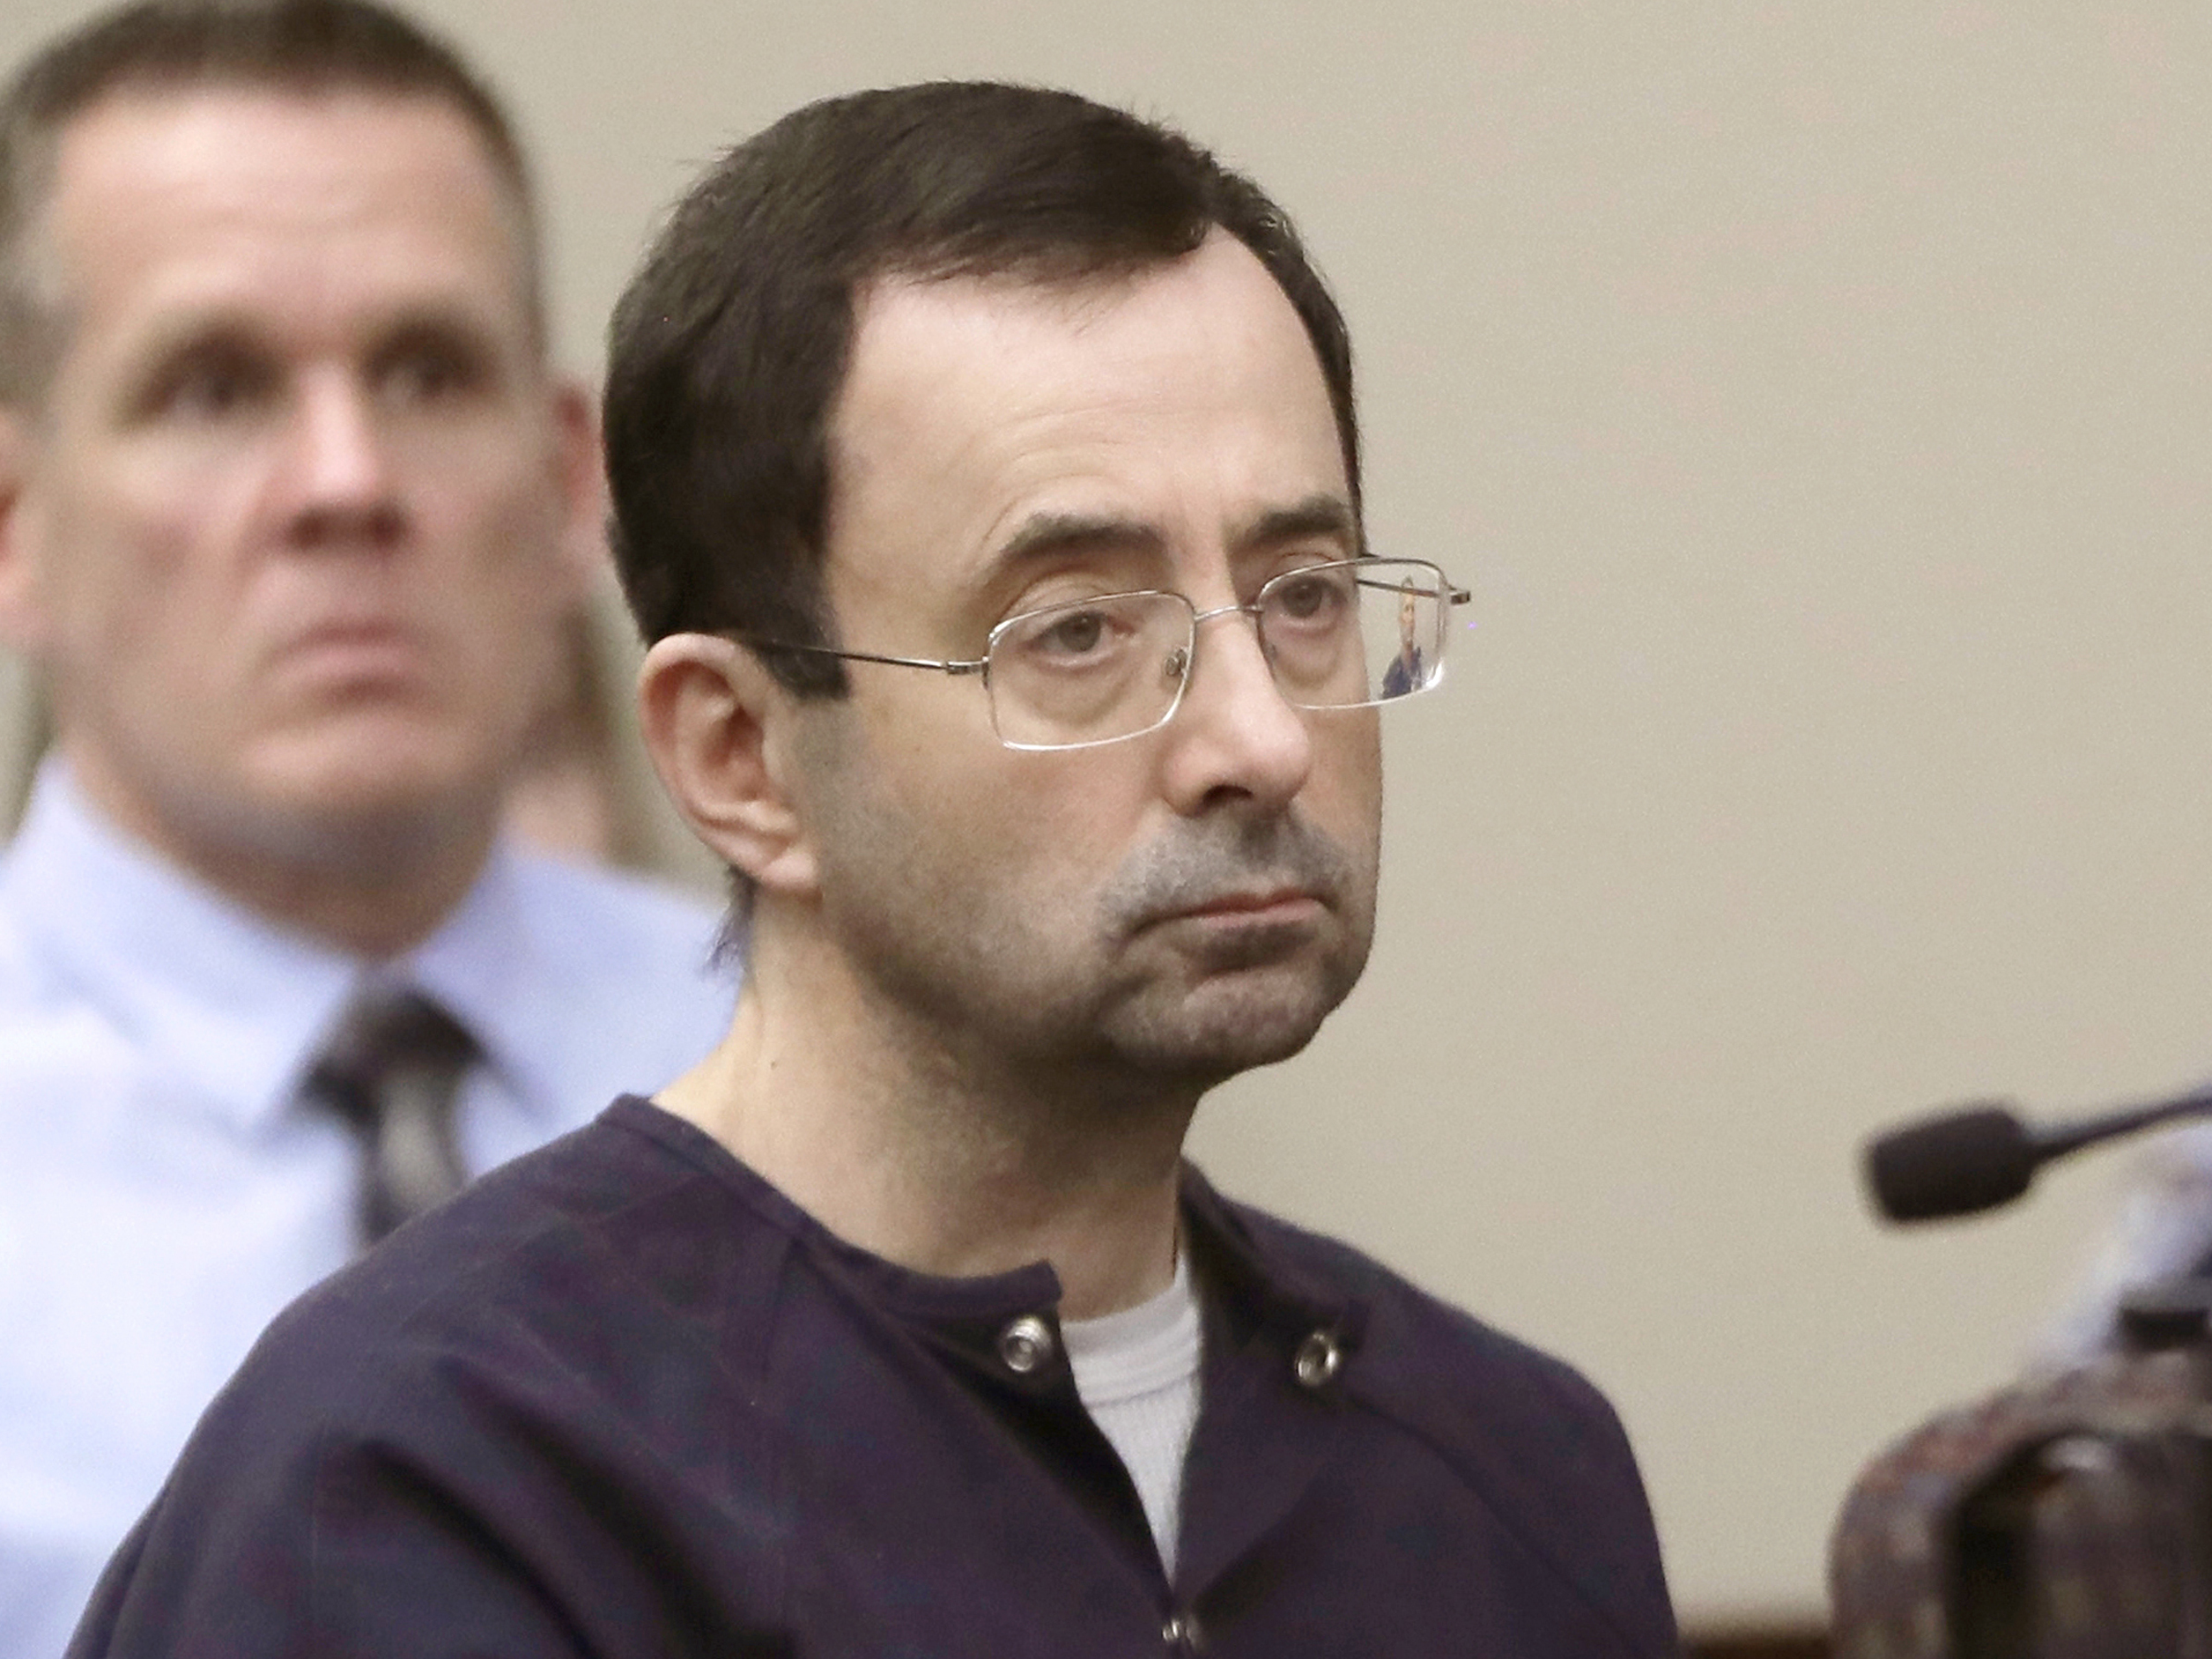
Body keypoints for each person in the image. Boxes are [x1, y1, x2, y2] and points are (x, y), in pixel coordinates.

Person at [68, 81, 1675, 1656]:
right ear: (740, 761)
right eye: (1079, 632)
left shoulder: (1502, 1466)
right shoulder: (433, 1485)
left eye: (1305, 593)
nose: (1255, 737)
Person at [0, 4, 736, 1652]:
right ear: (16, 527)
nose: (347, 481)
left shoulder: (809, 1071)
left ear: (567, 487)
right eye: (213, 387)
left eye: (426, 371)